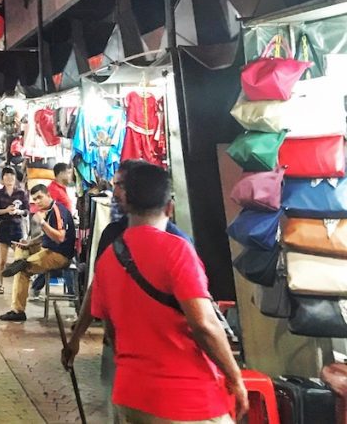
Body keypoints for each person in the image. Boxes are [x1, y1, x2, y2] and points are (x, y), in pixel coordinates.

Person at [71, 163, 247, 423]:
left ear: (126, 203)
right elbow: (204, 325)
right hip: (185, 398)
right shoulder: (177, 250)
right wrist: (235, 378)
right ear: (169, 208)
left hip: (130, 395)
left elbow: (111, 330)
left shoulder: (109, 257)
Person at [62, 160, 192, 422]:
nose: (118, 192)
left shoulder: (178, 243)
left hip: (169, 360)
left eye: (122, 185)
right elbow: (97, 289)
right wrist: (76, 336)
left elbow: (197, 316)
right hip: (121, 351)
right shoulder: (112, 234)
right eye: (116, 185)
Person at [0, 183, 75, 322]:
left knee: (23, 270)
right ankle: (20, 261)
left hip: (59, 255)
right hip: (47, 249)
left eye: (40, 197)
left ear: (49, 195)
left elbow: (60, 237)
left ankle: (18, 310)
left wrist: (42, 224)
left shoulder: (58, 211)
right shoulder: (48, 210)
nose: (37, 202)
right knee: (23, 249)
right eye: (35, 199)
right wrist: (30, 242)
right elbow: (46, 236)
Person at [0, 166, 28, 295]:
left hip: (17, 227)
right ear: (2, 179)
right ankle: (0, 284)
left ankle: (20, 285)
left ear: (15, 178)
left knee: (20, 259)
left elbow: (27, 211)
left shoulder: (21, 193)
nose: (9, 178)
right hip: (4, 227)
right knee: (2, 260)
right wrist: (6, 210)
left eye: (11, 175)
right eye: (6, 176)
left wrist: (18, 211)